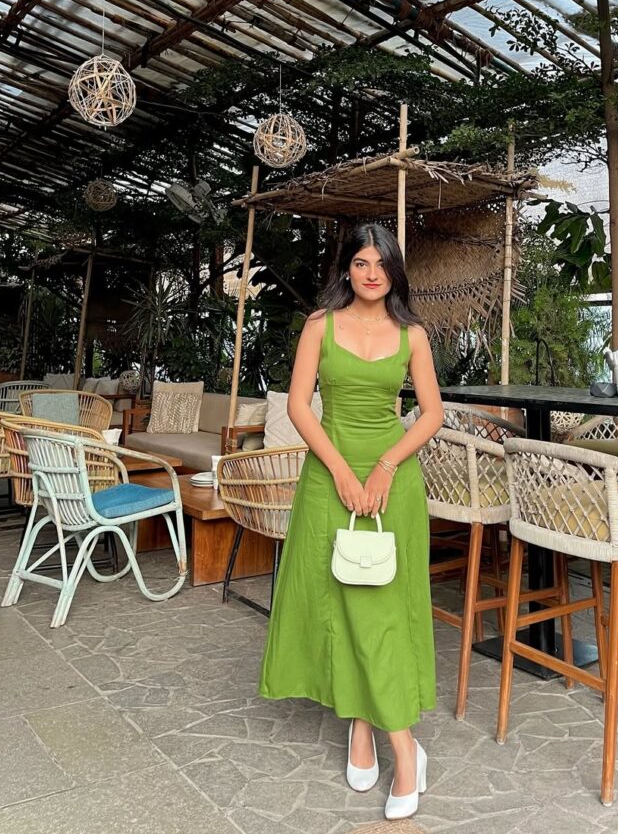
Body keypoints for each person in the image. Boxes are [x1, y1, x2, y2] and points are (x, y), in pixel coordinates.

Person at [259, 222, 444, 820]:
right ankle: (361, 732)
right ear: (346, 269)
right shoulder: (320, 325)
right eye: (360, 262)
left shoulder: (412, 333)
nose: (370, 272)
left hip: (394, 481)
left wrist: (386, 466)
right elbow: (296, 404)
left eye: (381, 263)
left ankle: (402, 747)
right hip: (328, 477)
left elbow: (431, 413)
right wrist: (339, 470)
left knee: (383, 610)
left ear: (394, 271)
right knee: (342, 603)